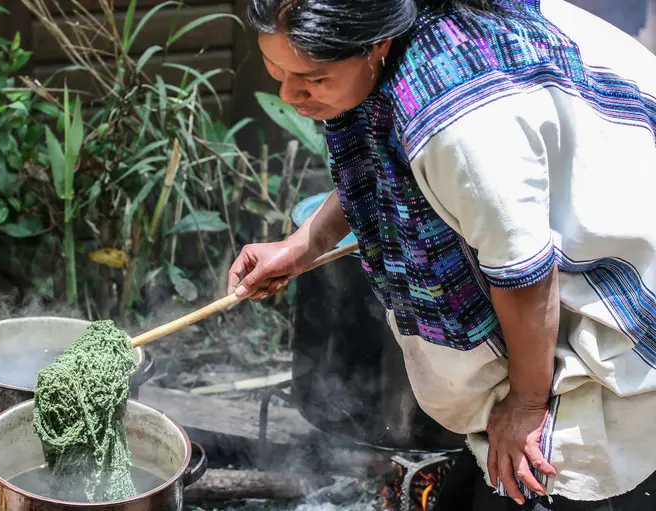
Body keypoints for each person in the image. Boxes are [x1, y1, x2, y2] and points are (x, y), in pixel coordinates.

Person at [226, 0, 656, 509]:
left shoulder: (460, 124)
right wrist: (302, 246)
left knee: (564, 455)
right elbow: (388, 162)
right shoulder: (393, 43)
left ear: (377, 45)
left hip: (625, 222)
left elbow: (525, 276)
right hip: (543, 211)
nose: (289, 94)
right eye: (276, 72)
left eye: (311, 78)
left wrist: (526, 403)